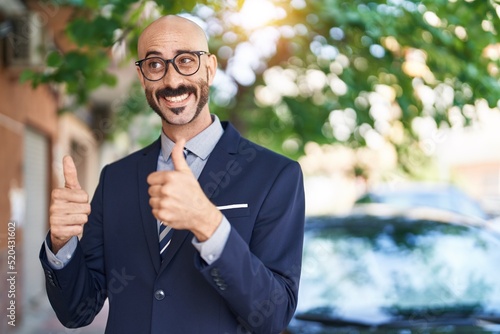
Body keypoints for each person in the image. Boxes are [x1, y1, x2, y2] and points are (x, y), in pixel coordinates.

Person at [39, 15, 305, 334]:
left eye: (186, 60)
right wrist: (62, 244)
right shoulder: (116, 179)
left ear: (209, 67)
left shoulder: (275, 175)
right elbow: (78, 312)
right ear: (141, 76)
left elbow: (273, 316)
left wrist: (208, 223)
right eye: (155, 65)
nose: (171, 80)